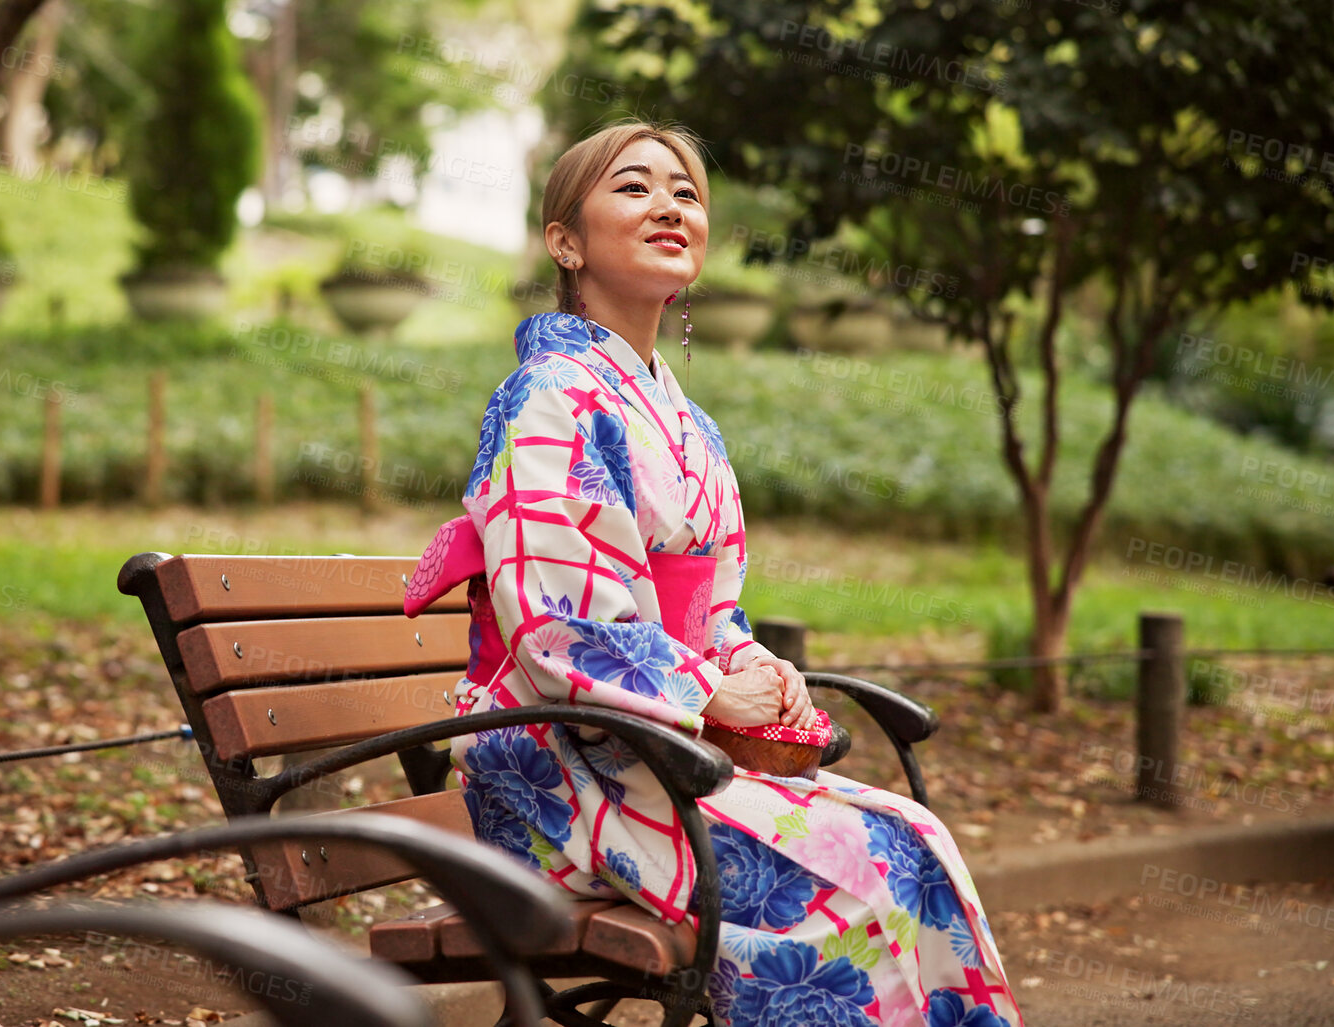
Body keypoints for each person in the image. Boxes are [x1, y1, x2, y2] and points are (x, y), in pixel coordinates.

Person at [403, 121, 1021, 1026]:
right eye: (634, 187)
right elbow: (555, 625)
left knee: (912, 836)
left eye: (686, 192)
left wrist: (749, 661)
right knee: (837, 876)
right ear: (564, 241)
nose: (669, 206)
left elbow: (708, 603)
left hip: (660, 745)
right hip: (560, 766)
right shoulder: (547, 396)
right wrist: (702, 691)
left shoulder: (689, 421)